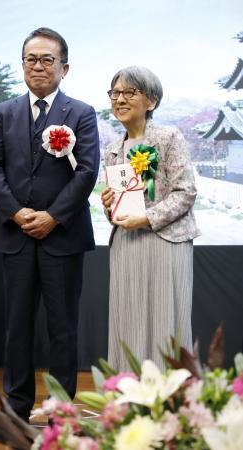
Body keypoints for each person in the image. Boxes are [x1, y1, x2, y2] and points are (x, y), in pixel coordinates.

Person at [0, 27, 100, 421]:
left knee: (62, 327)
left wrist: (53, 216)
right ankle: (16, 408)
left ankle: (60, 410)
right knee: (17, 326)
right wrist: (16, 212)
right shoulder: (3, 112)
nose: (38, 66)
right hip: (15, 237)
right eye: (31, 58)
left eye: (47, 59)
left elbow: (86, 171)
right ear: (22, 65)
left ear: (64, 68)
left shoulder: (81, 113)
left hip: (62, 236)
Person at [101, 66, 200, 370]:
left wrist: (146, 217)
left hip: (165, 242)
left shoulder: (169, 137)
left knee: (166, 323)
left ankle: (169, 405)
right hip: (127, 244)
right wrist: (109, 205)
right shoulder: (112, 150)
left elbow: (186, 191)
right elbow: (121, 205)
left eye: (129, 92)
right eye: (115, 93)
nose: (120, 99)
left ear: (151, 101)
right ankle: (127, 400)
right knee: (127, 321)